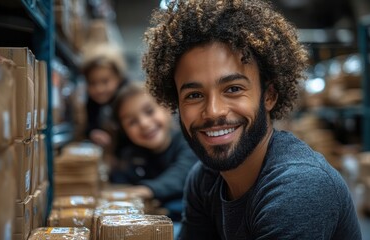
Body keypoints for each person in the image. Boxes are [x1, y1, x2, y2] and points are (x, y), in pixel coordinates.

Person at [142, 0, 362, 239]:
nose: (214, 111)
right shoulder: (205, 178)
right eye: (194, 95)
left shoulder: (298, 186)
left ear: (269, 96)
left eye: (233, 89)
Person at [110, 81, 199, 220]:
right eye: (132, 122)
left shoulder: (188, 141)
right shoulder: (133, 155)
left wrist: (148, 190)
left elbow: (182, 173)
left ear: (168, 108)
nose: (144, 124)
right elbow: (121, 183)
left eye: (149, 111)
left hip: (185, 219)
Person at [82, 44, 129, 152]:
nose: (99, 89)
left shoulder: (128, 99)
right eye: (92, 83)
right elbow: (90, 124)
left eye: (105, 81)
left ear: (119, 78)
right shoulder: (91, 100)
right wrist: (93, 132)